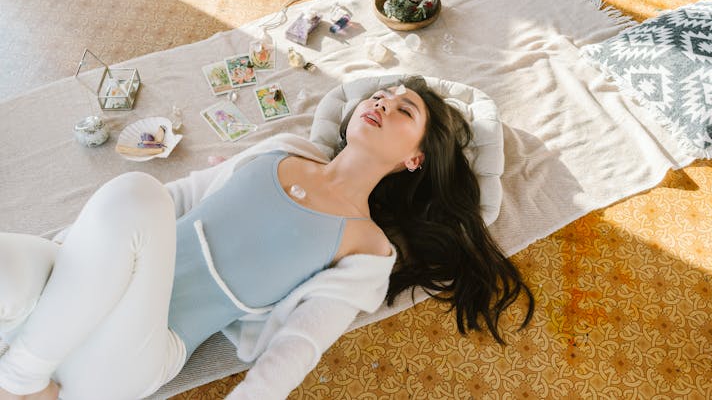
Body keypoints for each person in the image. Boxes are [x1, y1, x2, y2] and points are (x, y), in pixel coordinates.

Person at [0, 76, 533, 400]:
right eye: (382, 95)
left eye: (404, 110)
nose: (383, 104)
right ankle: (23, 366)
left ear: (413, 159)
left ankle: (19, 375)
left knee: (137, 193)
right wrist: (74, 256)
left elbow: (297, 347)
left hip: (130, 354)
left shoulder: (367, 246)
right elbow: (184, 197)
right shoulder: (283, 149)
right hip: (68, 305)